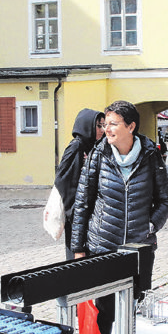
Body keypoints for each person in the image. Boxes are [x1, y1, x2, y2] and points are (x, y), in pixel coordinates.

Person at [71, 101, 168, 334]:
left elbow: (166, 200)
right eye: (105, 124)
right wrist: (78, 249)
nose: (107, 129)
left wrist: (150, 226)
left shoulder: (150, 155)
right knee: (105, 314)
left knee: (135, 310)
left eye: (113, 124)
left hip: (138, 250)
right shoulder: (98, 154)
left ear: (131, 126)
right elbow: (82, 203)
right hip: (103, 247)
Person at [53, 109, 105, 259]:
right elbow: (63, 181)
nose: (102, 130)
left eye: (103, 125)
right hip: (77, 216)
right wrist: (75, 212)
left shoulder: (92, 147)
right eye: (98, 125)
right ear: (86, 126)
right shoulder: (76, 146)